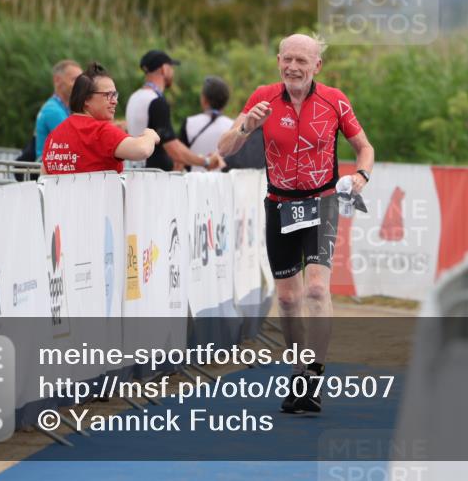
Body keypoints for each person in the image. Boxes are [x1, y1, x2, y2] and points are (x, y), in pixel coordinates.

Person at [217, 33, 375, 414]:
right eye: (287, 59)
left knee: (317, 290)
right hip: (280, 205)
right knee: (288, 299)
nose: (293, 67)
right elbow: (224, 149)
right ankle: (298, 371)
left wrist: (361, 177)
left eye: (302, 61)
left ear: (316, 66)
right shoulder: (262, 97)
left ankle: (314, 377)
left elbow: (365, 148)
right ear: (278, 61)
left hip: (322, 202)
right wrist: (246, 127)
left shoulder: (335, 100)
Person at [42, 62, 160, 175]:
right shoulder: (101, 131)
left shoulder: (52, 138)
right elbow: (142, 149)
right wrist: (150, 135)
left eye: (115, 95)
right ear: (86, 98)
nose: (115, 101)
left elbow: (44, 177)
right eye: (108, 95)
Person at [124, 50, 223, 171]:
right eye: (171, 68)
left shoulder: (134, 97)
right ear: (164, 69)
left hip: (133, 172)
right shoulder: (156, 101)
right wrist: (205, 162)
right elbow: (172, 147)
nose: (173, 72)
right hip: (151, 177)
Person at [178, 76, 235, 172]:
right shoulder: (234, 127)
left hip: (193, 182)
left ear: (204, 99)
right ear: (226, 101)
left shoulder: (189, 123)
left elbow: (179, 160)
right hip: (224, 184)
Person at [34, 59, 82, 161]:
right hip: (49, 171)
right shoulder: (52, 110)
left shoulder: (64, 108)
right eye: (74, 80)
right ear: (57, 80)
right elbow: (76, 140)